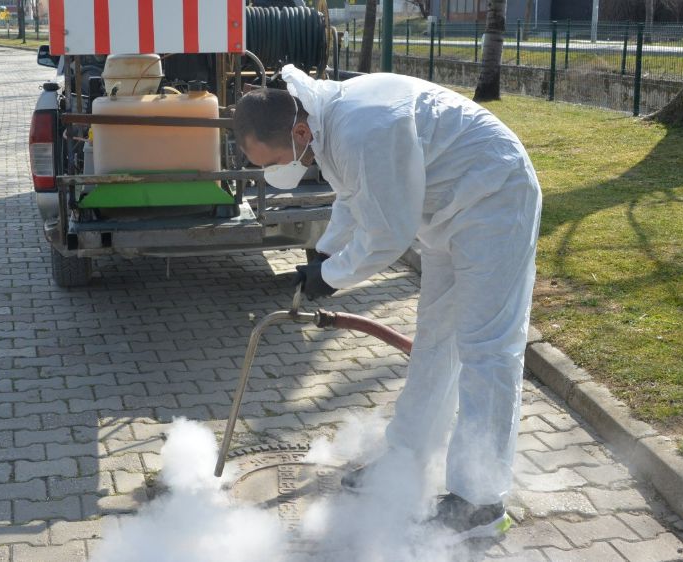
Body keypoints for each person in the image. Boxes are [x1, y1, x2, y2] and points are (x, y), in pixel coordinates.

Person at [232, 65, 542, 542]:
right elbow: (356, 197)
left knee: (487, 350)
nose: (269, 171)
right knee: (435, 344)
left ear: (296, 131)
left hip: (495, 200)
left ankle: (480, 501)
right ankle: (402, 462)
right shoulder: (326, 120)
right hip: (448, 214)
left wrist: (331, 277)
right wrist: (326, 253)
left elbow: (387, 235)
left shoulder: (363, 126)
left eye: (270, 160)